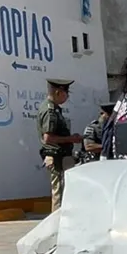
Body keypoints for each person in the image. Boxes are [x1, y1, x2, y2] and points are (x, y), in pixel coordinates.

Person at [37, 78, 83, 210]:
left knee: (65, 192)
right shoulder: (49, 110)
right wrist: (70, 139)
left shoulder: (55, 109)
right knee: (59, 195)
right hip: (57, 157)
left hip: (61, 157)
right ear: (58, 92)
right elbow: (48, 138)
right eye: (66, 92)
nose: (67, 96)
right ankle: (56, 225)